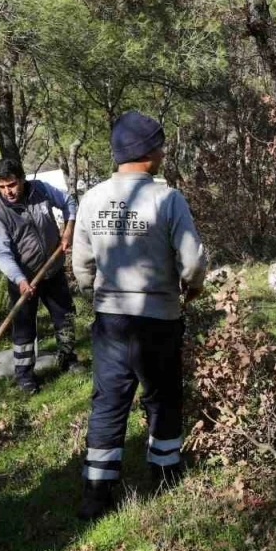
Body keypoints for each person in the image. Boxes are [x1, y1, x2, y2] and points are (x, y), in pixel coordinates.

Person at [72, 111, 208, 521]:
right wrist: (193, 285)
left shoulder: (92, 198)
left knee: (108, 402)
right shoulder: (168, 199)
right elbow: (193, 260)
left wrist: (95, 291)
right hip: (158, 318)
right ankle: (165, 475)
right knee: (163, 396)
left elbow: (81, 264)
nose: (163, 152)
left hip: (110, 320)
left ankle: (97, 492)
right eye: (161, 146)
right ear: (148, 153)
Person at [0, 158, 79, 394]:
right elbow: (2, 254)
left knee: (64, 315)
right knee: (24, 327)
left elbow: (69, 202)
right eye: (2, 187)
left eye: (12, 185)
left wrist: (68, 230)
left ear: (22, 179)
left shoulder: (42, 190)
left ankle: (68, 358)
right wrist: (20, 280)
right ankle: (25, 375)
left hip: (53, 269)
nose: (8, 192)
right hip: (22, 278)